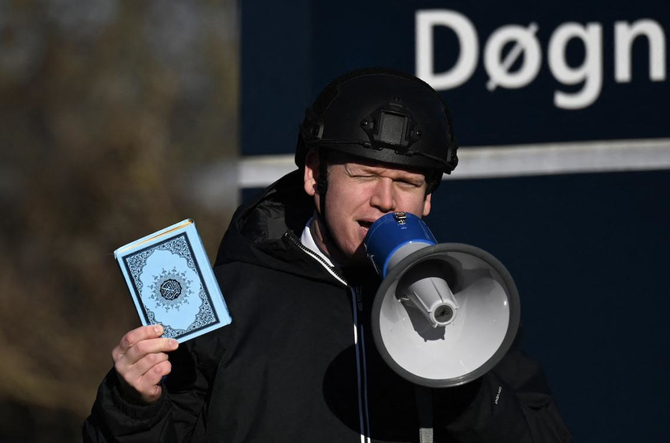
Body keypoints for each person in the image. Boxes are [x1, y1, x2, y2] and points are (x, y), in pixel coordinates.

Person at [83, 68, 572, 442]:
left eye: (406, 182)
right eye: (363, 174)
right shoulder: (226, 301)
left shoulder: (466, 299)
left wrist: (463, 384)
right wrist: (133, 404)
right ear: (315, 176)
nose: (385, 199)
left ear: (427, 200)